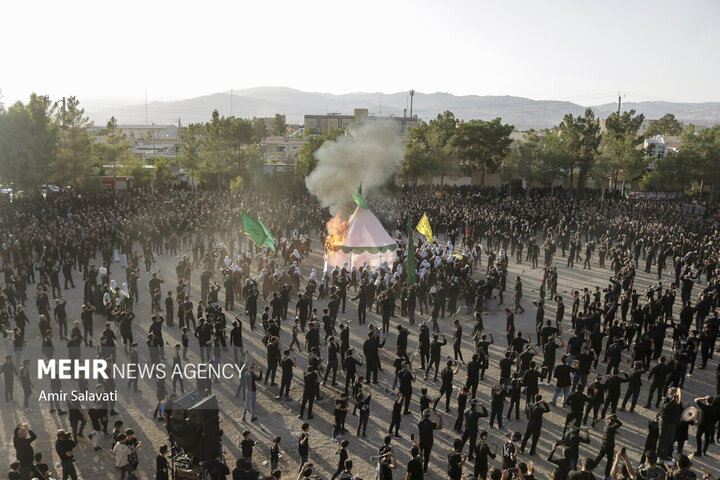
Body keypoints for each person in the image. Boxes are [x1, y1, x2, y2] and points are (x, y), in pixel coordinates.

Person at [417, 409, 443, 473]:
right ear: (429, 415)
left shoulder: (419, 423)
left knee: (419, 455)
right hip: (429, 442)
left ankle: (418, 467)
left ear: (423, 415)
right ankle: (425, 470)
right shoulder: (431, 424)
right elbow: (440, 427)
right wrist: (440, 418)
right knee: (427, 457)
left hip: (421, 441)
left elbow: (419, 421)